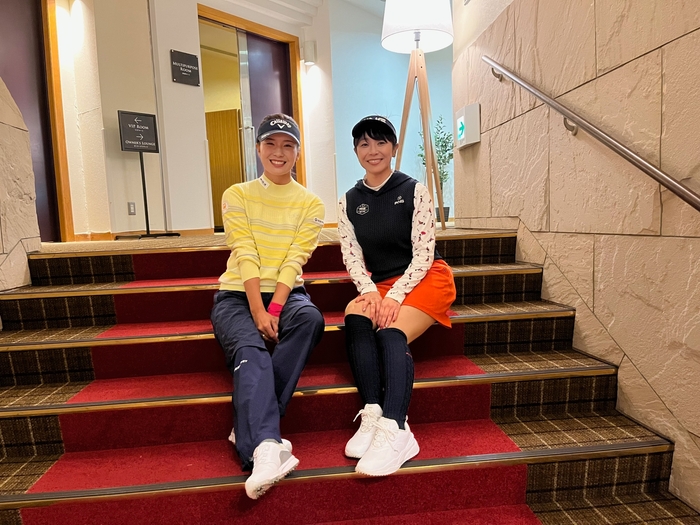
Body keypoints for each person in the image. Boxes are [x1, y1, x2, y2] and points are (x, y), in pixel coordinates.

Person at [211, 113, 325, 499]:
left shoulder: (310, 202)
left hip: (287, 294)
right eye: (271, 143)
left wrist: (273, 310)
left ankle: (251, 424)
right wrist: (257, 311)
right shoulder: (237, 194)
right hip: (236, 295)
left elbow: (295, 259)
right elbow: (245, 252)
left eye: (288, 145)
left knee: (310, 319)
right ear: (258, 148)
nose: (279, 152)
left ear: (297, 153)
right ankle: (264, 447)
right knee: (253, 353)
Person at [338, 115, 456, 477]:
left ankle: (397, 427)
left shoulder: (415, 190)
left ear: (394, 147)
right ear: (356, 151)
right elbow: (351, 256)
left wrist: (395, 296)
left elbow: (423, 254)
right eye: (364, 143)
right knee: (355, 314)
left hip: (426, 277)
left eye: (380, 142)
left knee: (390, 331)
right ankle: (373, 412)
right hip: (382, 283)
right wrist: (370, 291)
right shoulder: (348, 201)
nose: (373, 150)